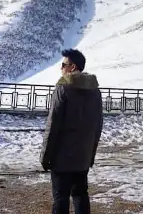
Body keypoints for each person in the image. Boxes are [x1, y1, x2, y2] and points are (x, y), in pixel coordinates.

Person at [40, 48, 103, 214]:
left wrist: (45, 156)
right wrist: (90, 155)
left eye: (63, 65)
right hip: (82, 156)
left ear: (73, 67)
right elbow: (98, 127)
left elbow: (53, 124)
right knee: (81, 195)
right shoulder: (95, 91)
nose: (61, 68)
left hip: (62, 157)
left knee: (61, 197)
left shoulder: (63, 88)